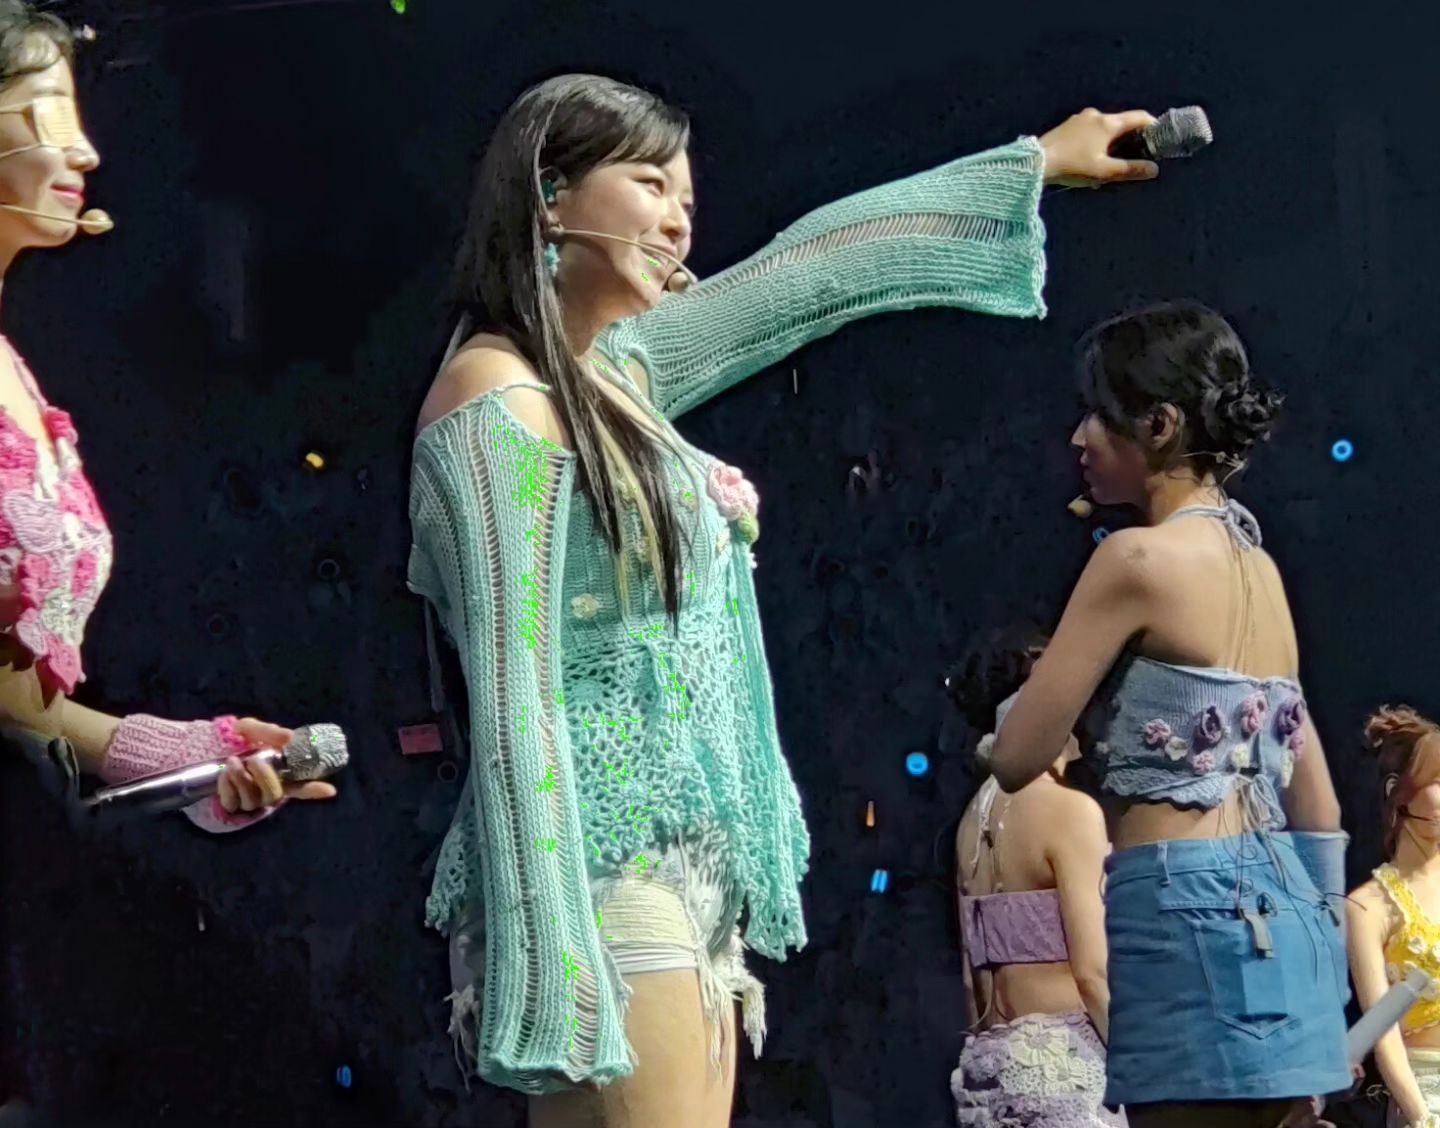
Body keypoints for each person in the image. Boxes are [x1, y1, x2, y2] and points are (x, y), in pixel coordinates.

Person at [407, 71, 1160, 1126]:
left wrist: (1035, 162)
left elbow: (803, 275)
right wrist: (550, 949)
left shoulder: (613, 377)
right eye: (649, 184)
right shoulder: (497, 396)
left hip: (679, 876)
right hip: (597, 877)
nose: (680, 218)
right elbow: (513, 693)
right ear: (550, 196)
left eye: (687, 196)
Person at [989, 300, 1351, 1128]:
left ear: (1158, 425)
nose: (1079, 438)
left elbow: (1016, 757)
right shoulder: (1262, 571)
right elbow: (1321, 808)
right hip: (1291, 914)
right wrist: (1324, 963)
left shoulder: (1136, 559)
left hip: (1179, 911)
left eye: (1098, 414)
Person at [0, 2, 336, 827]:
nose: (86, 150)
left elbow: (21, 704)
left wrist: (185, 758)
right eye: (48, 115)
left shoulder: (16, 372)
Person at [947, 623, 1124, 1127]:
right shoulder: (1069, 812)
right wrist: (1143, 1073)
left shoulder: (971, 819)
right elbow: (1092, 974)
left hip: (987, 1075)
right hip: (1064, 1075)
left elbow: (971, 980)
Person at [1348, 705, 1440, 1128]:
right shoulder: (1368, 907)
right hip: (1426, 1092)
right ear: (1398, 791)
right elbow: (1381, 1032)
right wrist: (1422, 1117)